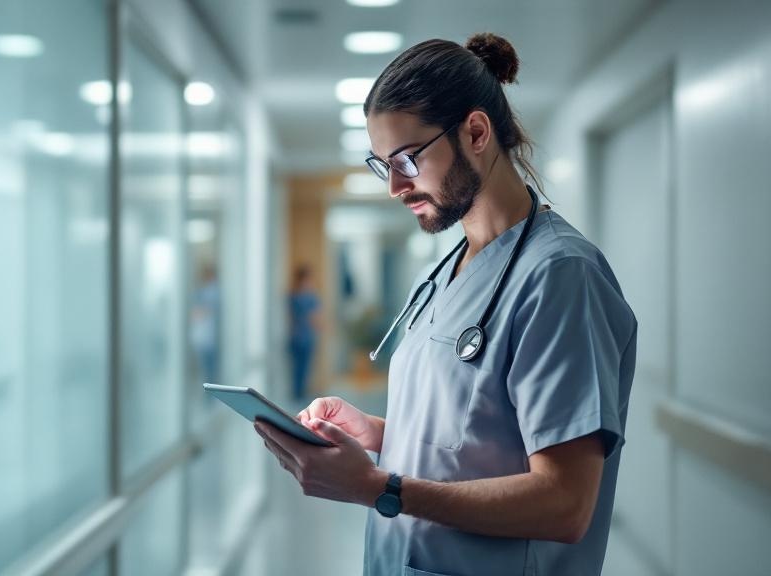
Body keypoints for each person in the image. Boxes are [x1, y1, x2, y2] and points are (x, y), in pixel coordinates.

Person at [254, 33, 637, 576]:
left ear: (476, 132)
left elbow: (566, 502)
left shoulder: (559, 276)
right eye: (381, 163)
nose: (394, 186)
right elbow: (477, 442)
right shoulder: (444, 269)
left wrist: (377, 487)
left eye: (407, 160)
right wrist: (377, 435)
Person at [287, 265, 320, 401]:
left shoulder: (303, 297)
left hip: (304, 337)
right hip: (298, 338)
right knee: (298, 368)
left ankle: (300, 393)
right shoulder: (296, 297)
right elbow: (314, 317)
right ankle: (298, 394)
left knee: (304, 367)